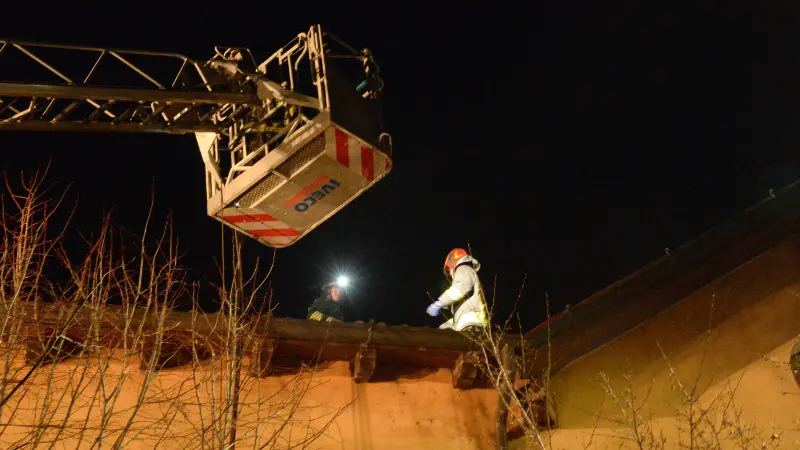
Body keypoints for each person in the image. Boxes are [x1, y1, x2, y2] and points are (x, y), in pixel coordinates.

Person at [425, 248, 489, 332]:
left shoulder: (463, 269)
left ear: (453, 261)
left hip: (470, 325)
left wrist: (439, 303)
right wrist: (442, 328)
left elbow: (459, 290)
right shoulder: (468, 271)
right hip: (470, 324)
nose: (451, 275)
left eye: (449, 270)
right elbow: (459, 316)